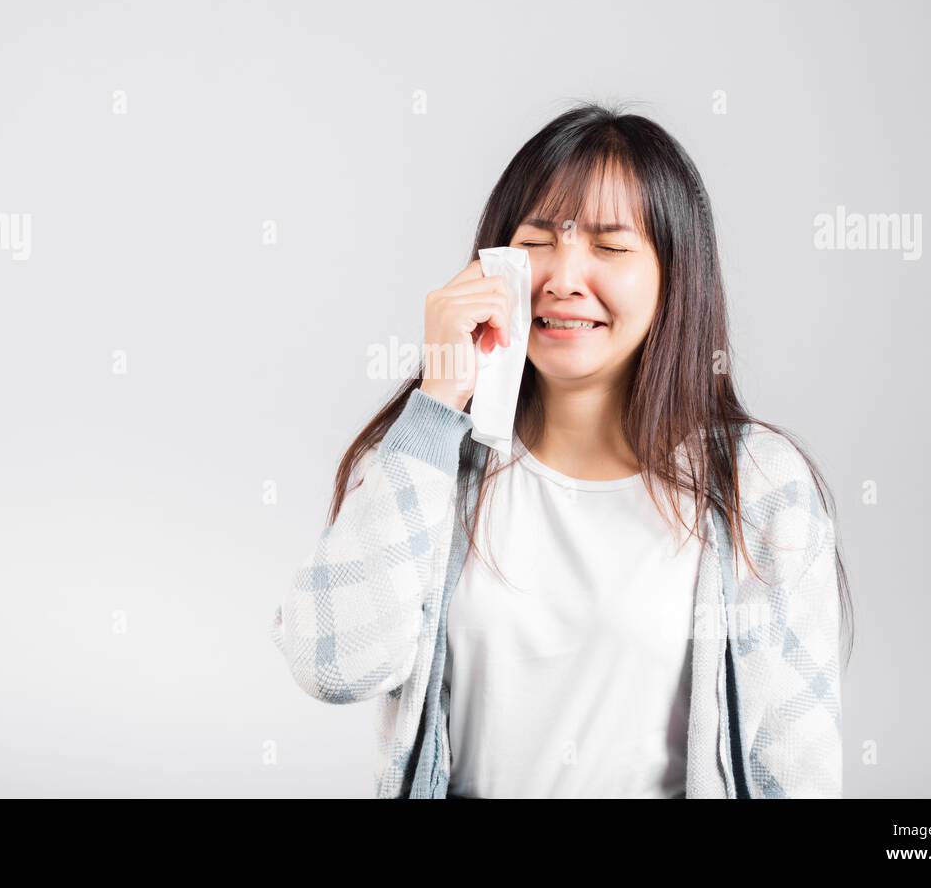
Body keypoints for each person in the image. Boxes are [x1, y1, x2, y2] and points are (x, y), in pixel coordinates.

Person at [269, 102, 853, 798]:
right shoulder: (428, 456)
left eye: (610, 247)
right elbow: (332, 664)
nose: (563, 277)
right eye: (538, 241)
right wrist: (437, 400)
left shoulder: (761, 487)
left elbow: (797, 773)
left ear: (676, 275)